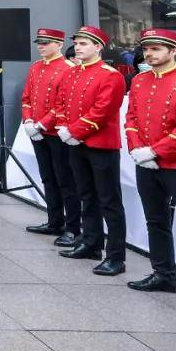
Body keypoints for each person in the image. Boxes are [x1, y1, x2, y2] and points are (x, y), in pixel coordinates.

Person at [54, 25, 127, 275]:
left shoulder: (111, 75)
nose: (78, 47)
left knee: (109, 201)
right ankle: (91, 243)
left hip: (100, 144)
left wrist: (74, 131)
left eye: (84, 43)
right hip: (76, 143)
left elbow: (102, 111)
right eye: (77, 43)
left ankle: (115, 256)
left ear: (98, 47)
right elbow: (61, 103)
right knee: (86, 195)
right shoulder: (71, 73)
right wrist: (63, 127)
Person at [126, 29, 176, 292]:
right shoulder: (139, 80)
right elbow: (131, 118)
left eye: (156, 48)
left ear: (174, 51)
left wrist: (155, 151)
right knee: (156, 220)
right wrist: (138, 149)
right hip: (145, 162)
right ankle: (163, 275)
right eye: (146, 48)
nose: (149, 54)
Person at [19, 28, 81, 247]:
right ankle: (54, 221)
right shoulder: (35, 67)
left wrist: (41, 124)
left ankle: (73, 228)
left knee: (66, 180)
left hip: (56, 132)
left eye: (46, 43)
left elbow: (62, 104)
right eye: (40, 42)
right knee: (47, 177)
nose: (41, 46)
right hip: (37, 131)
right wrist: (28, 121)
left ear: (59, 44)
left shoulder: (68, 68)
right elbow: (27, 98)